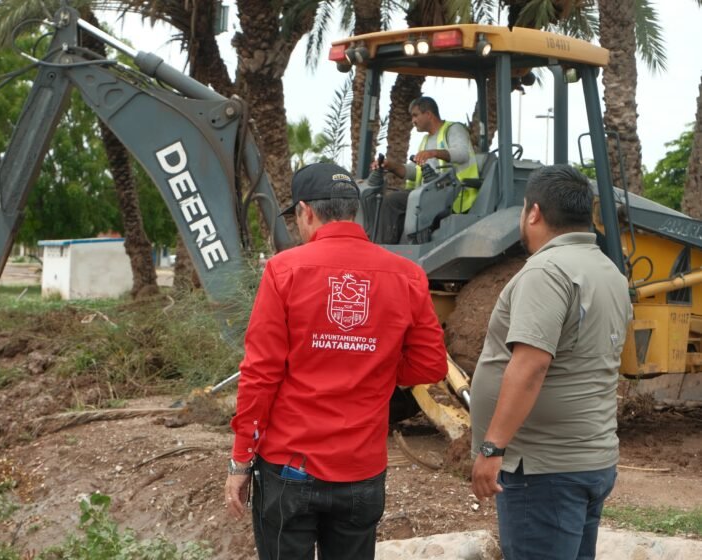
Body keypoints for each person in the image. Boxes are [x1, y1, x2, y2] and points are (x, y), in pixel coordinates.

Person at [224, 162, 448, 559]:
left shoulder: (283, 270)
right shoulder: (408, 275)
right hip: (360, 470)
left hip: (289, 467)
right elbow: (431, 365)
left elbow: (260, 374)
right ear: (353, 209)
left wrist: (241, 461)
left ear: (306, 212)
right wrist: (376, 366)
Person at [469, 164, 633, 560]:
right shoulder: (608, 271)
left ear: (534, 212)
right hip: (589, 459)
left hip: (544, 470)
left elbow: (531, 366)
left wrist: (492, 449)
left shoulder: (547, 270)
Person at [374, 96, 479, 244]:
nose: (413, 121)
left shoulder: (453, 129)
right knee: (390, 200)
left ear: (428, 114)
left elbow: (462, 154)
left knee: (393, 202)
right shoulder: (425, 141)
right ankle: (390, 247)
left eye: (415, 115)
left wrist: (433, 153)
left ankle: (383, 250)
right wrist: (392, 166)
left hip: (455, 195)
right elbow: (415, 172)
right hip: (428, 193)